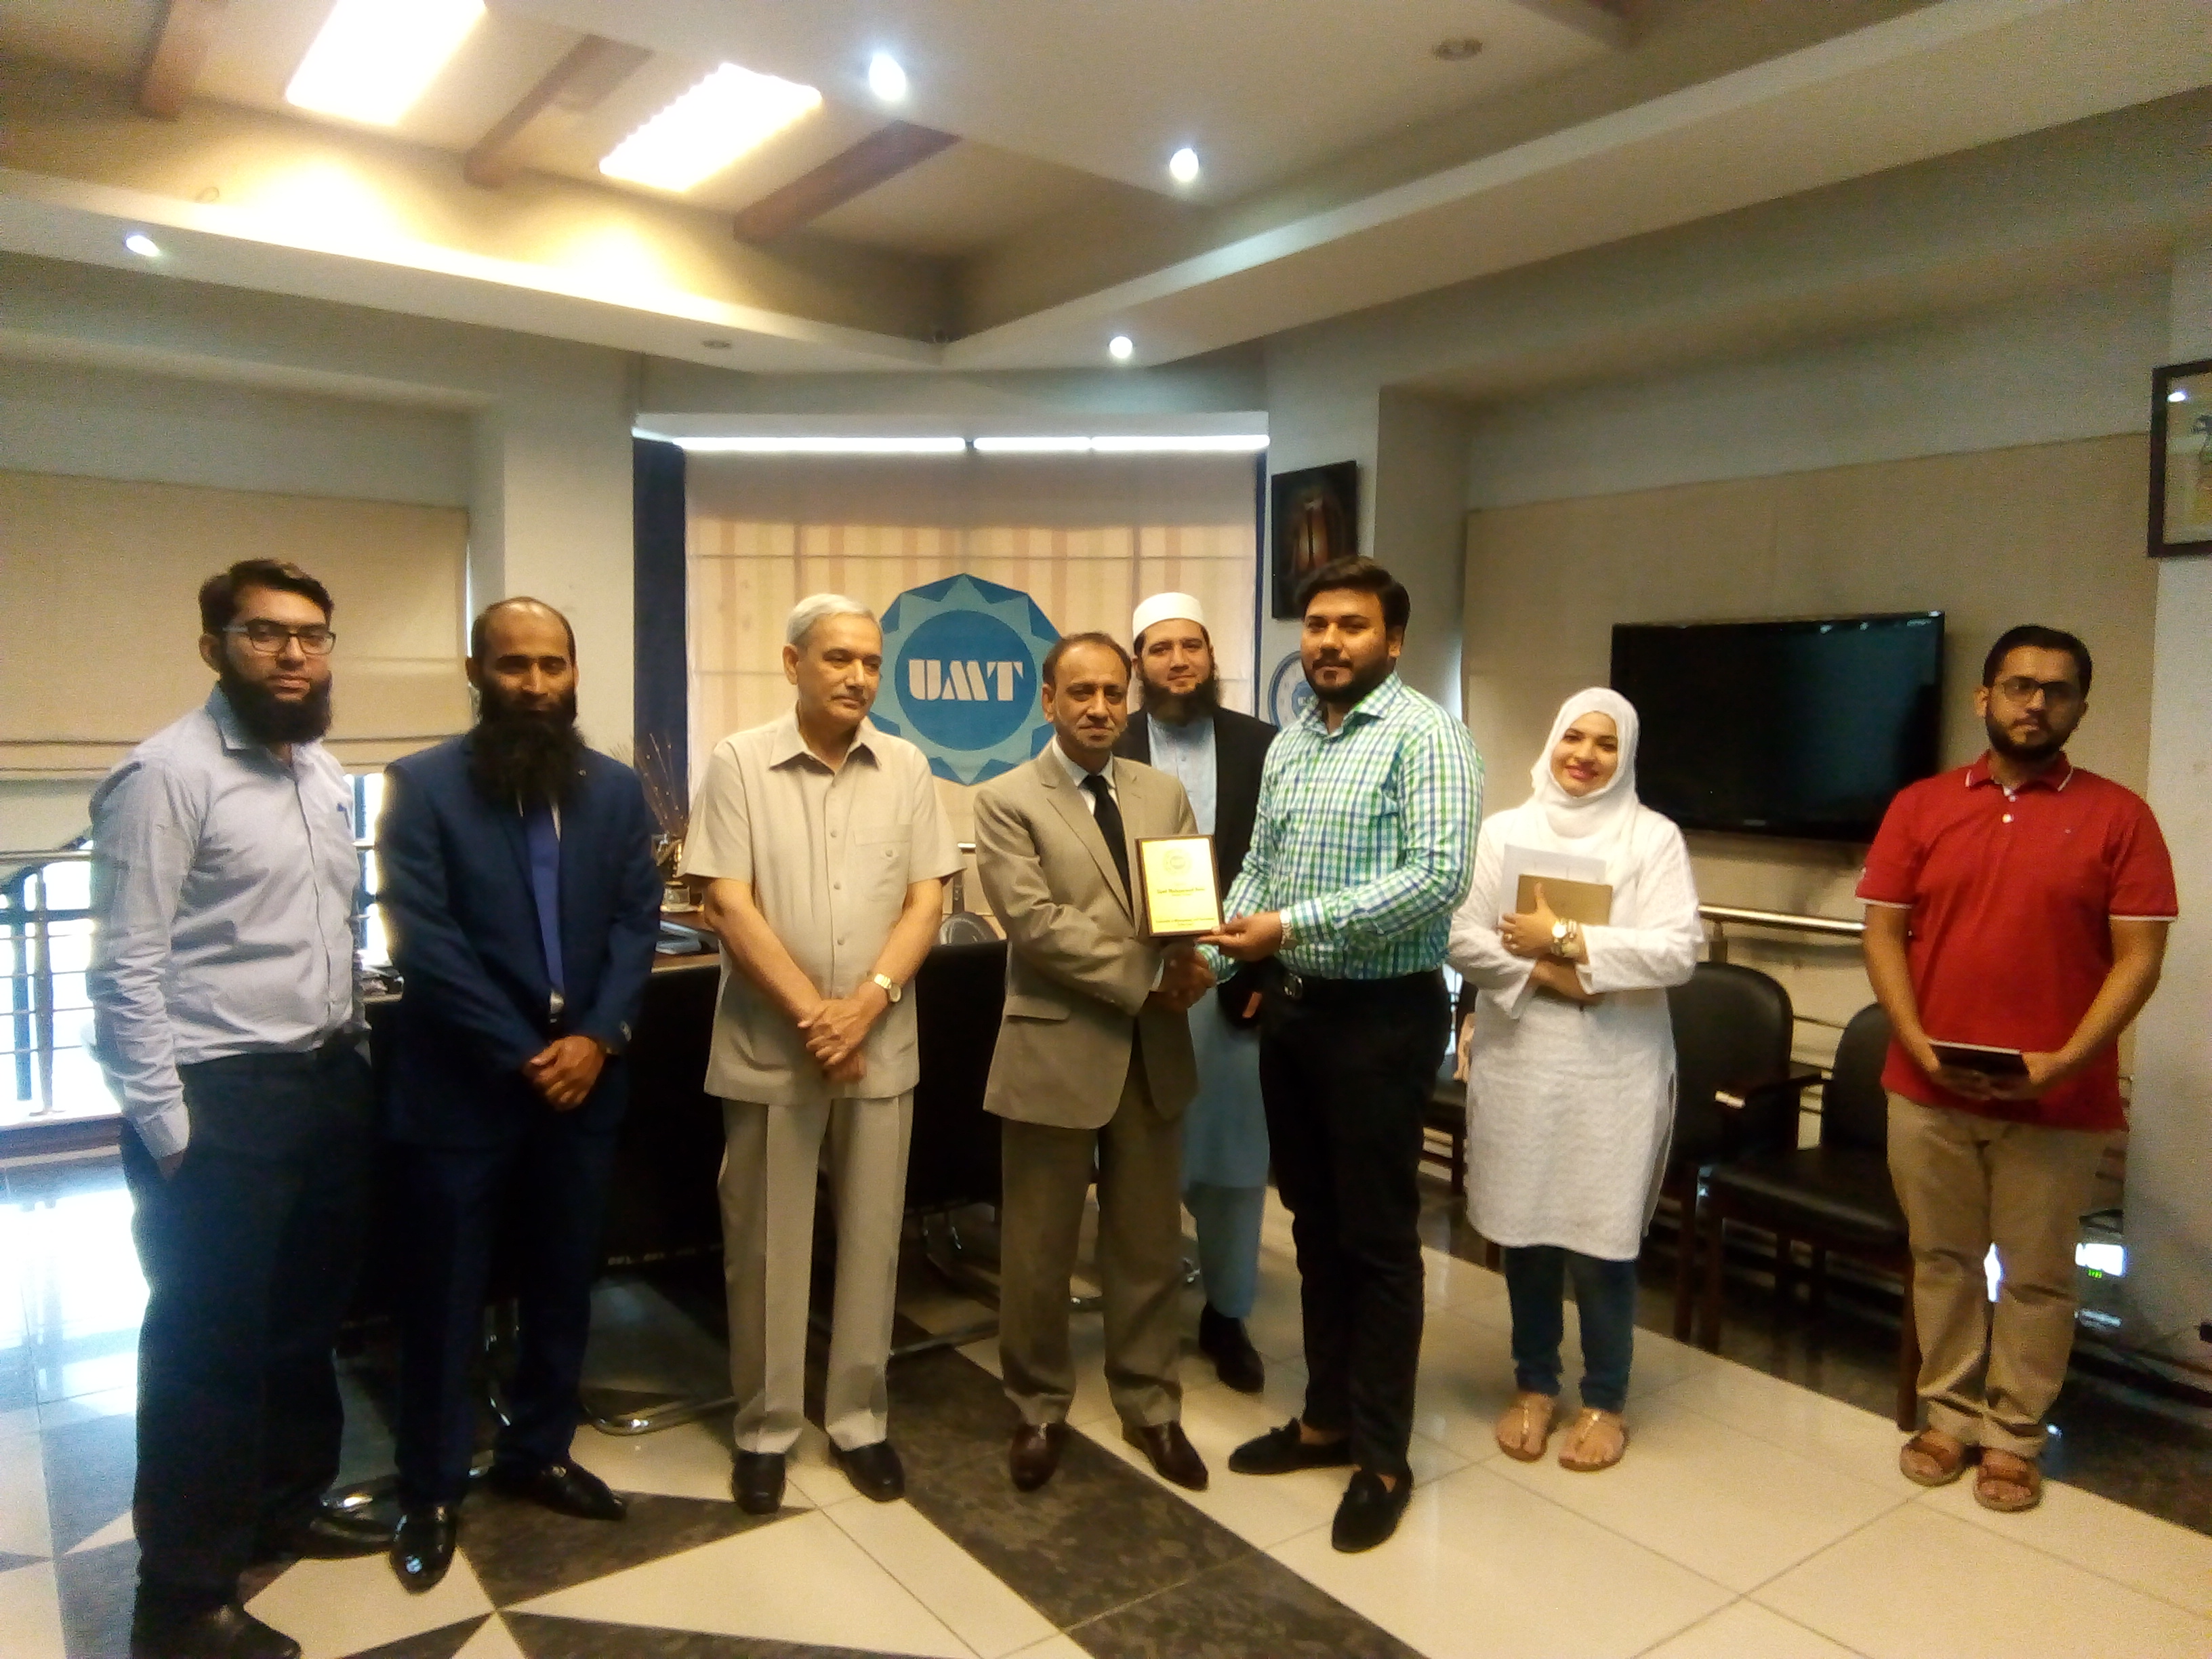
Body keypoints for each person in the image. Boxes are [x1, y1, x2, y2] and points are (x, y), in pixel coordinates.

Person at [88, 559, 390, 1659]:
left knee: (304, 1327)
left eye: (312, 634)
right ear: (214, 646)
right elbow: (125, 965)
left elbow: (329, 928)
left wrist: (351, 1047)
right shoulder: (165, 776)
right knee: (205, 1350)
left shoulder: (321, 770)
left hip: (323, 1082)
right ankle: (181, 1596)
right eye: (265, 633)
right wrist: (169, 1129)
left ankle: (283, 1506)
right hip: (221, 1099)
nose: (294, 653)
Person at [377, 598, 662, 1591]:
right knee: (444, 1295)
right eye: (513, 666)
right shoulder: (421, 786)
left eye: (552, 665)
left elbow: (636, 921)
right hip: (463, 1089)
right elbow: (423, 937)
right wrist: (527, 1052)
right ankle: (430, 1487)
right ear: (476, 672)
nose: (535, 685)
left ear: (574, 673)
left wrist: (596, 1037)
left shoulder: (615, 790)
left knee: (563, 1280)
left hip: (584, 1088)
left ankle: (539, 1450)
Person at [1860, 625, 2173, 1514]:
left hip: (2059, 1098)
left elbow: (2140, 960)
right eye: (2019, 685)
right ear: (1984, 698)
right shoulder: (1919, 806)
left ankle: (2014, 1436)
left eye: (2057, 690)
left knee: (2038, 1276)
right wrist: (1917, 1041)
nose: (2036, 703)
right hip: (1927, 1087)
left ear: (2081, 707)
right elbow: (1882, 934)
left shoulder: (2121, 818)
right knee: (1943, 1260)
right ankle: (1949, 1417)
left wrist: (2064, 1062)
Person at [1205, 556, 1482, 1553]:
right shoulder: (1293, 745)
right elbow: (1260, 867)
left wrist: (1290, 926)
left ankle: (1383, 1457)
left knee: (1376, 1239)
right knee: (1315, 1227)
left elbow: (1438, 878)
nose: (1328, 641)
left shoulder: (1427, 736)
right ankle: (1325, 1420)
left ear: (1392, 641)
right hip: (1295, 1014)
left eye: (1352, 626)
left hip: (1381, 1019)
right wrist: (1212, 950)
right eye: (1317, 625)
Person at [682, 596, 959, 1513]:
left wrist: (865, 1006)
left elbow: (927, 899)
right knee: (765, 1246)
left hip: (879, 1044)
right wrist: (818, 1019)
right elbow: (727, 902)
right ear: (792, 662)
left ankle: (858, 1421)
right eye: (839, 658)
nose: (859, 677)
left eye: (872, 662)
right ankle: (766, 1428)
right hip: (774, 1048)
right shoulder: (739, 762)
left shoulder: (906, 766)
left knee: (874, 1242)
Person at [972, 632, 1215, 1493]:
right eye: (1082, 693)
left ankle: (1151, 1404)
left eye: (1114, 692)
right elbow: (1036, 924)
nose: (1101, 708)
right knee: (1038, 1251)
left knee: (1148, 1244)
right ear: (1048, 700)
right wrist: (1150, 975)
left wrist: (1192, 957)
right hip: (1055, 1047)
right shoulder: (1007, 800)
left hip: (1153, 1053)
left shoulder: (1162, 791)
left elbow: (1182, 901)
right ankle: (1038, 1405)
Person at [1446, 691, 1700, 1473]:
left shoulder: (1652, 838)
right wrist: (1555, 977)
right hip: (1522, 1058)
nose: (1585, 755)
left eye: (1605, 744)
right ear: (1553, 741)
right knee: (1525, 1234)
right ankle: (1534, 1384)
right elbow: (1459, 934)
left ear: (1626, 757)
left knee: (1600, 1240)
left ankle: (1605, 1398)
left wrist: (1561, 936)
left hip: (1614, 1070)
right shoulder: (1505, 831)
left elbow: (1678, 950)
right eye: (1574, 738)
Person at [1115, 592, 1277, 1393]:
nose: (1178, 661)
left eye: (1192, 646)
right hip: (1134, 982)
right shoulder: (1107, 742)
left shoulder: (1263, 746)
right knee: (1140, 1156)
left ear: (1212, 656)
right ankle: (1141, 1318)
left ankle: (1228, 1312)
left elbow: (1282, 859)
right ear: (1138, 663)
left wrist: (1254, 968)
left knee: (1233, 1158)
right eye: (1161, 648)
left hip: (1230, 976)